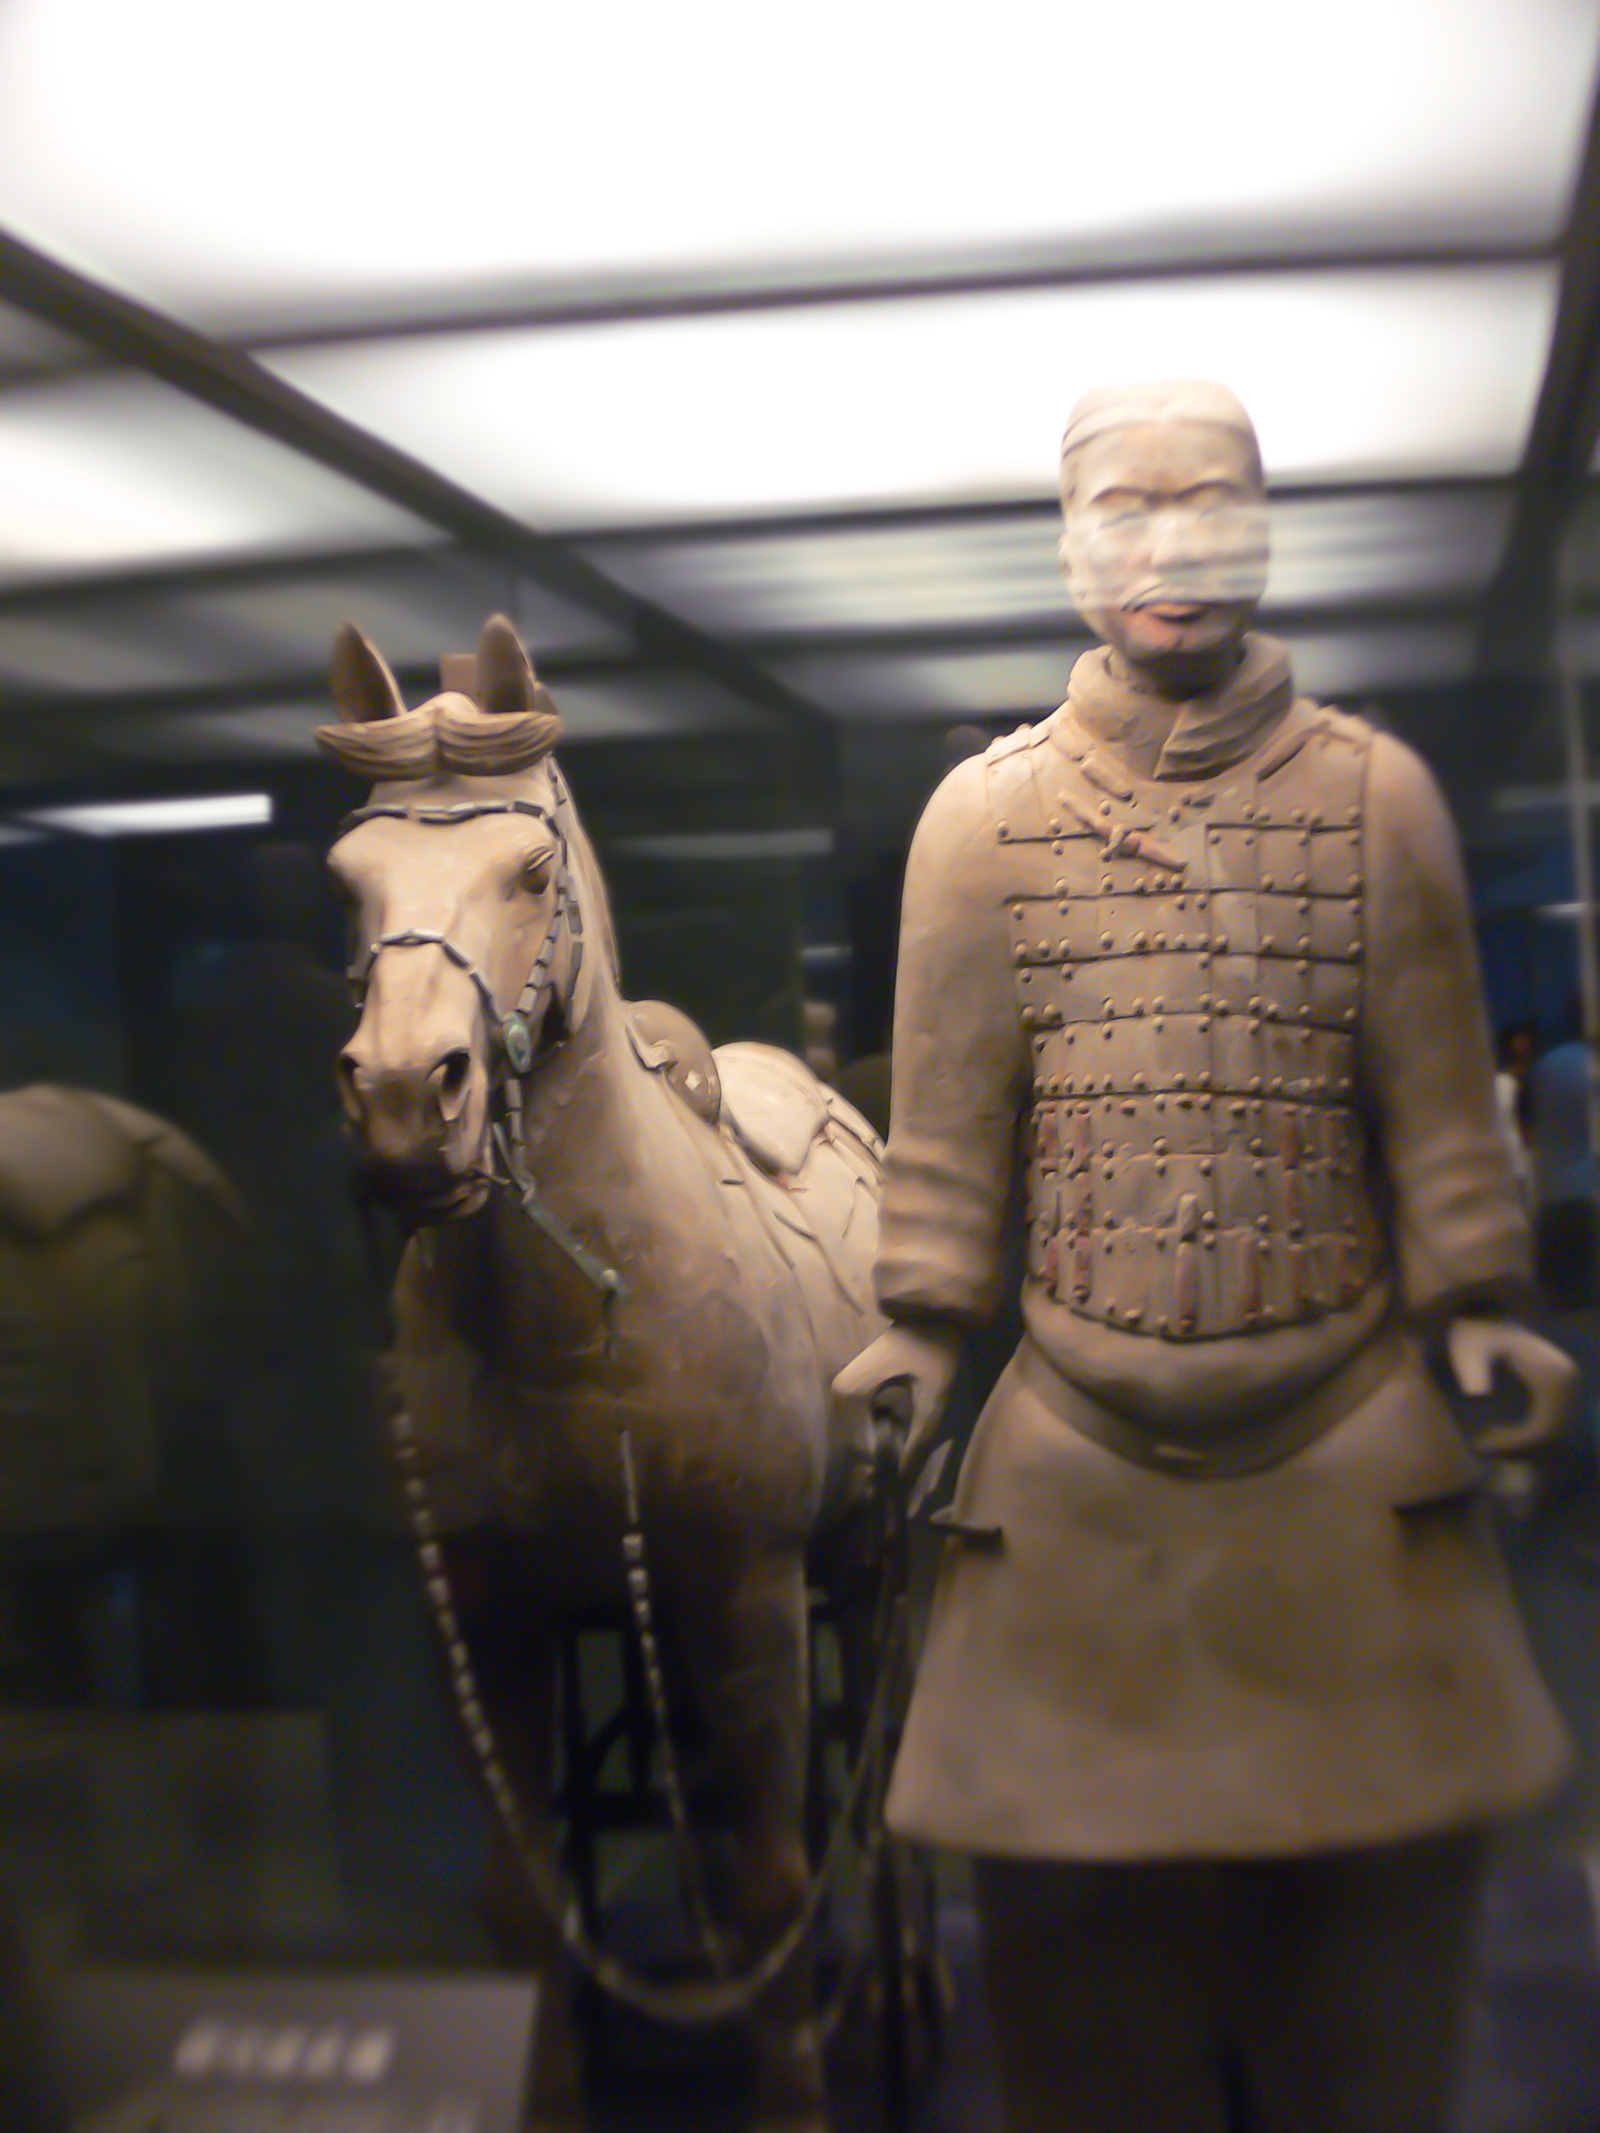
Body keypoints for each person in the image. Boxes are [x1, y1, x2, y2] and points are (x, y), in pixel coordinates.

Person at [834, 379, 1576, 2133]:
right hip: (1078, 1467)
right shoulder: (981, 824)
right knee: (1086, 2014)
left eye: (1211, 504)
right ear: (1068, 546)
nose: (1171, 547)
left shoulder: (1379, 798)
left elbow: (1437, 1115)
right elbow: (947, 1149)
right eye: (1126, 510)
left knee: (1376, 1999)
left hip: (1345, 1447)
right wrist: (919, 1338)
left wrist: (1480, 1306)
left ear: (1266, 529)